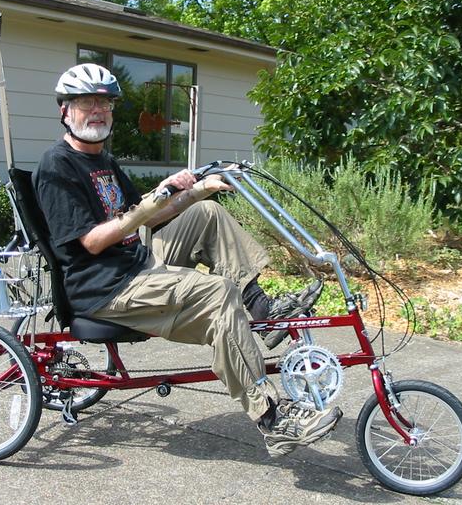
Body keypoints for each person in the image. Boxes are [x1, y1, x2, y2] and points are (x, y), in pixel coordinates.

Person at [33, 63, 342, 457]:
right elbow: (93, 242)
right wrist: (153, 200)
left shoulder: (103, 161)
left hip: (136, 262)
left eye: (104, 103)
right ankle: (272, 419)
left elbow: (151, 216)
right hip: (105, 286)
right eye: (86, 103)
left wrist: (199, 191)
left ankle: (261, 308)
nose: (97, 111)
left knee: (206, 213)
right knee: (217, 293)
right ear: (65, 110)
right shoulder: (57, 165)